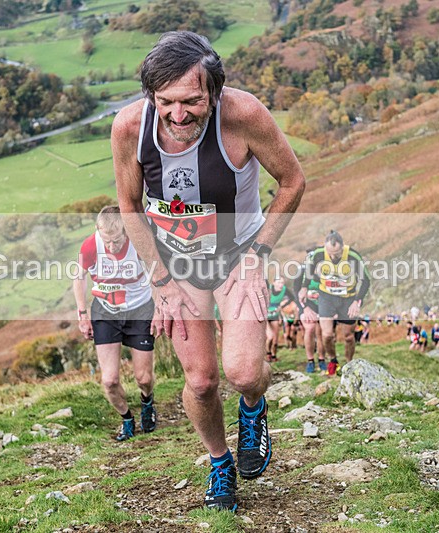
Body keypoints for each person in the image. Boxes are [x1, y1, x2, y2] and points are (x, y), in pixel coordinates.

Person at [111, 31, 305, 511]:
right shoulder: (130, 127)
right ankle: (220, 462)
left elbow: (292, 181)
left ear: (214, 92)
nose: (178, 115)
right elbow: (129, 205)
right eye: (165, 102)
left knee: (244, 372)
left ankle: (254, 407)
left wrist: (258, 255)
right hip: (176, 263)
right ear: (151, 96)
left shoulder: (244, 115)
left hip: (238, 255)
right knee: (200, 381)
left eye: (191, 101)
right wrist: (159, 279)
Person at [73, 206, 157, 442]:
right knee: (109, 381)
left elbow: (157, 274)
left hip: (140, 310)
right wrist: (82, 314)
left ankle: (147, 402)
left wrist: (160, 309)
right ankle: (127, 419)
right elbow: (78, 278)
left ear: (126, 231)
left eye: (117, 241)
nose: (111, 247)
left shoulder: (139, 242)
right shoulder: (91, 245)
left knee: (144, 378)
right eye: (107, 241)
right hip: (105, 312)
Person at [306, 230, 370, 375]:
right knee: (327, 335)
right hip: (326, 297)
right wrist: (304, 288)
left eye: (337, 253)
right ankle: (333, 361)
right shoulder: (318, 254)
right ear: (325, 247)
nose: (333, 257)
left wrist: (356, 301)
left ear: (342, 247)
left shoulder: (353, 256)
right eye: (330, 253)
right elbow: (308, 272)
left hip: (348, 299)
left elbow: (366, 281)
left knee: (348, 336)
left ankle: (349, 364)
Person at [294, 248, 326, 373]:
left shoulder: (325, 271)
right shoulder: (301, 271)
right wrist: (304, 308)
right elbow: (296, 293)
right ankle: (310, 360)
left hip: (322, 306)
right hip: (307, 305)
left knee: (321, 332)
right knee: (310, 328)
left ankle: (322, 359)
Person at [266, 278, 294, 361]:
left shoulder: (284, 289)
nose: (281, 285)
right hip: (265, 317)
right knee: (270, 337)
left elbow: (292, 297)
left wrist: (282, 305)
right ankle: (268, 354)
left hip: (275, 316)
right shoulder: (268, 288)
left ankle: (274, 356)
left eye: (282, 283)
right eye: (279, 282)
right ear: (274, 283)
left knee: (275, 340)